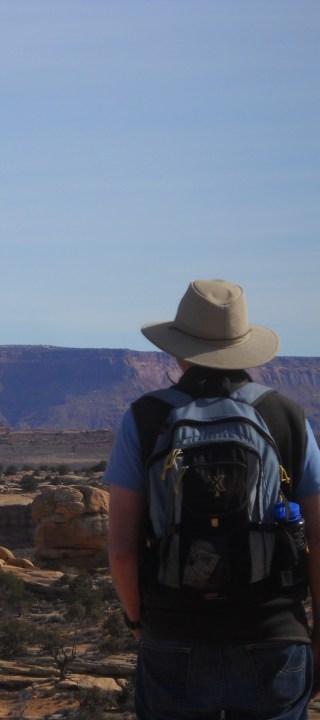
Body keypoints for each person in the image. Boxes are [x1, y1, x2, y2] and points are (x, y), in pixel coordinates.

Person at [105, 279, 320, 720]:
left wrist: (137, 621)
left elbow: (123, 551)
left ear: (178, 348)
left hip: (173, 633)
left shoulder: (146, 418)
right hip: (274, 635)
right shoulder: (286, 416)